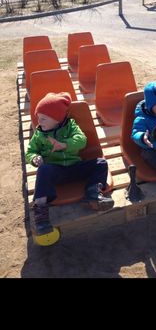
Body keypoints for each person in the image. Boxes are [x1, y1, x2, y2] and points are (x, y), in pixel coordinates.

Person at [26, 92, 114, 235]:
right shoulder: (39, 134)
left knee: (101, 163)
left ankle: (93, 191)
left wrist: (64, 145)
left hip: (75, 167)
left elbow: (82, 140)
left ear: (57, 119)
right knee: (43, 170)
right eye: (38, 118)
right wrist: (34, 158)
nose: (39, 122)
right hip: (56, 171)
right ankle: (41, 211)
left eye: (43, 118)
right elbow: (30, 151)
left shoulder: (71, 126)